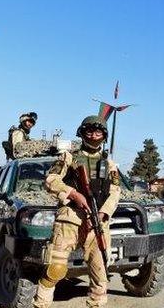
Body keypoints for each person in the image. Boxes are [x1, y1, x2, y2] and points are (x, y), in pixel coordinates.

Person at [33, 115, 121, 308]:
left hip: (97, 224)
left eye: (98, 131)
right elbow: (50, 181)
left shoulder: (110, 164)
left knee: (101, 277)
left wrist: (103, 213)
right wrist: (73, 194)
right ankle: (41, 304)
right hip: (69, 221)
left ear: (104, 135)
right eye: (89, 131)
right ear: (82, 133)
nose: (93, 135)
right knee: (54, 270)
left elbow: (115, 192)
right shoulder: (68, 157)